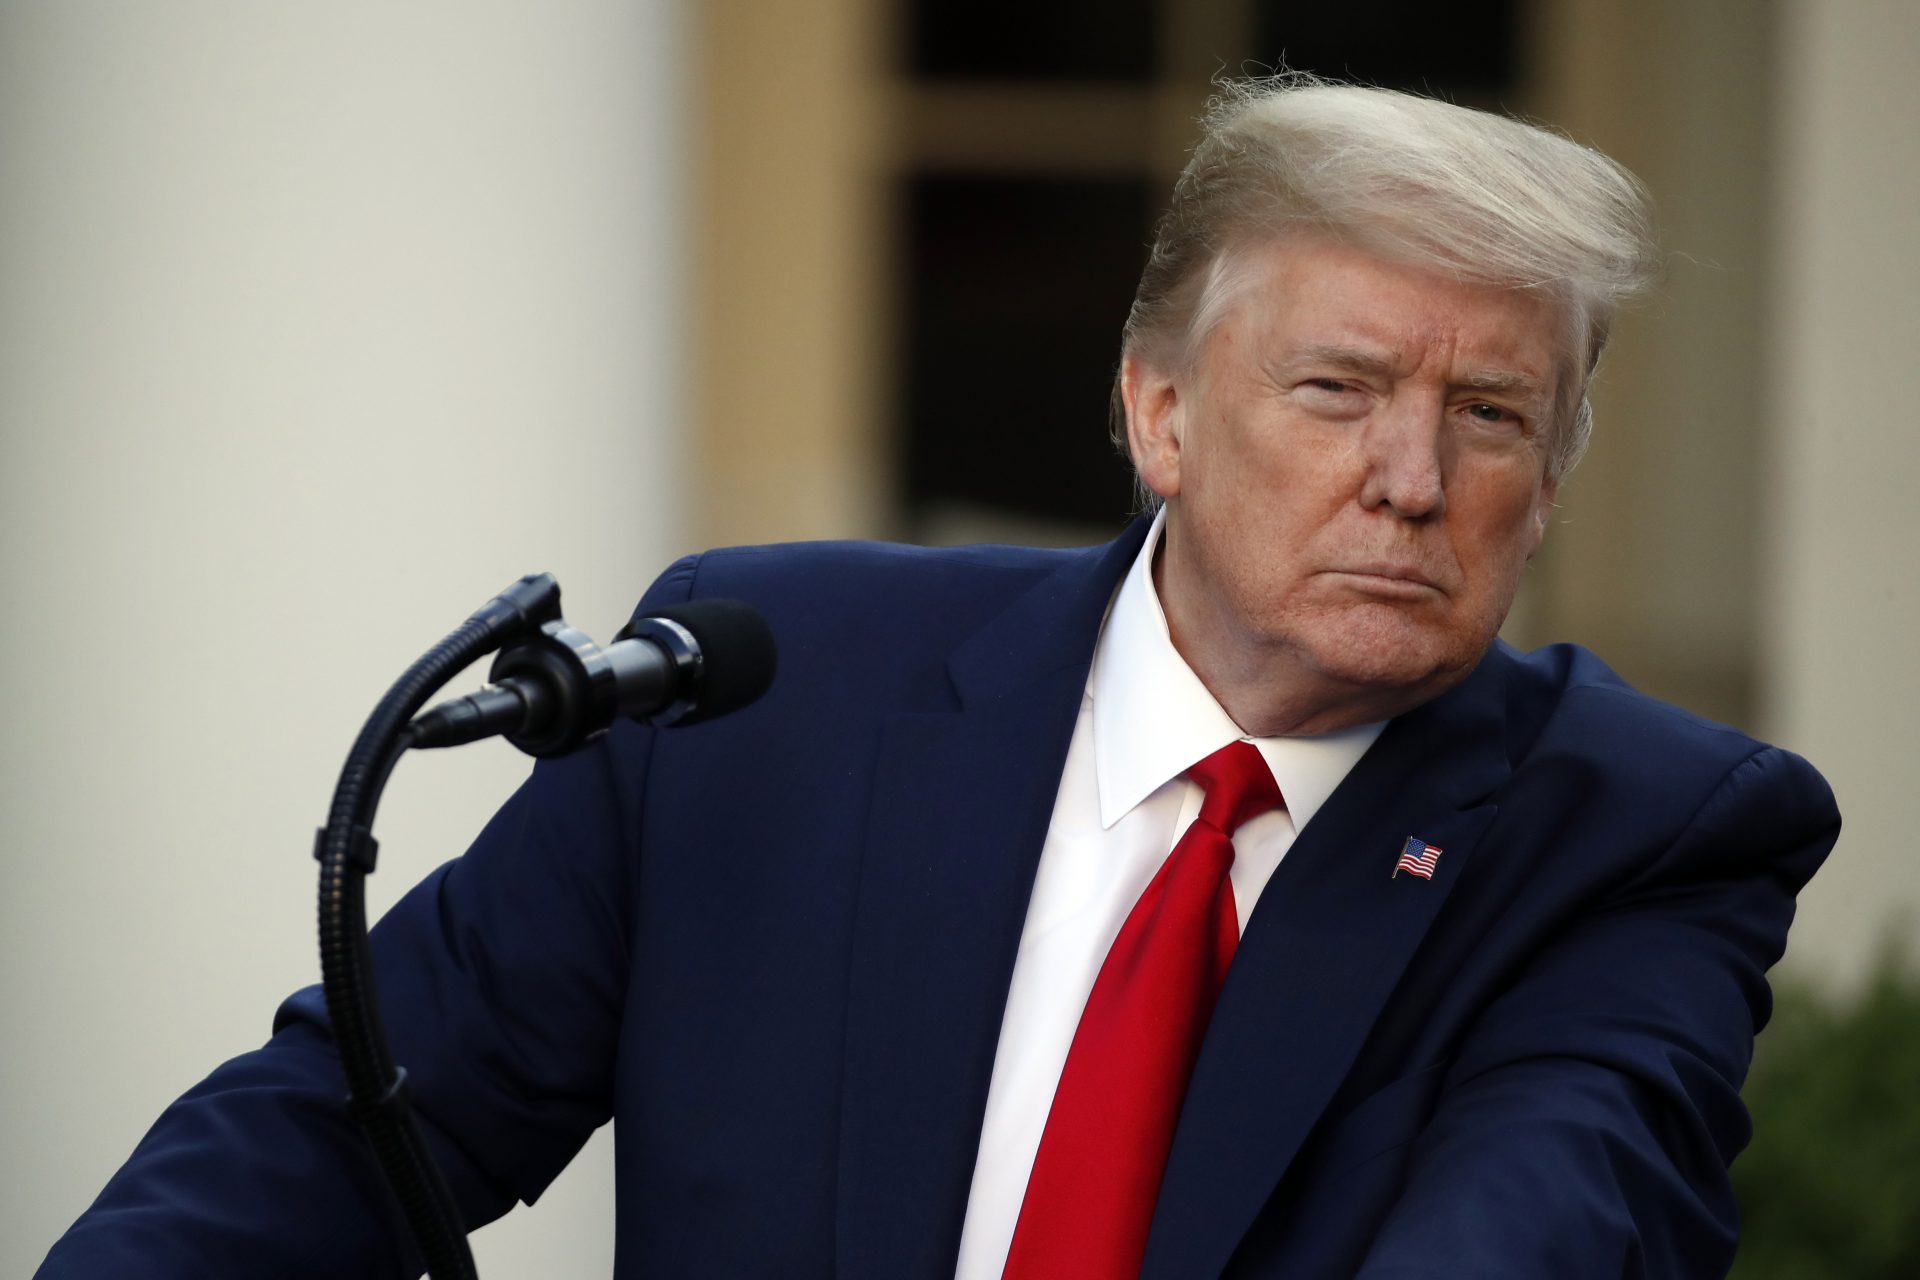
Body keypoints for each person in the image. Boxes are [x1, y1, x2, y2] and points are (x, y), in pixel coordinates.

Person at [39, 76, 1838, 1279]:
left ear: (1555, 477)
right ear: (1159, 412)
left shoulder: (1641, 831)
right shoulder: (760, 694)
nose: (1412, 477)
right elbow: (360, 1133)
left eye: (1493, 416)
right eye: (1340, 390)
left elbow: (1541, 1221)